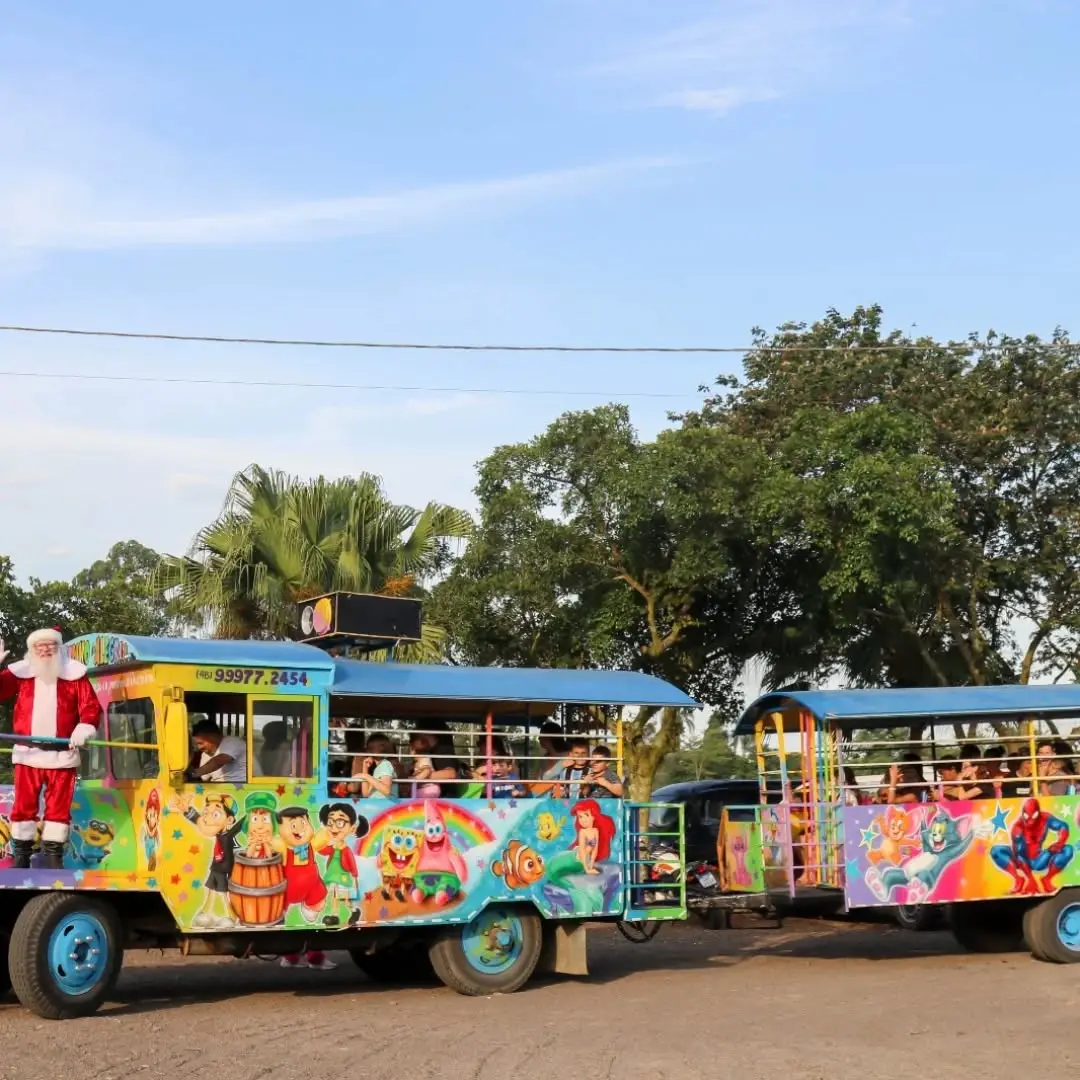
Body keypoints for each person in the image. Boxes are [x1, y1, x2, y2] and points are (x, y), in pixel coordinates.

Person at [0, 627, 101, 869]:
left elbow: (90, 707)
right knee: (24, 804)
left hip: (62, 753)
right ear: (32, 650)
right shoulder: (20, 674)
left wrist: (84, 727)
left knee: (59, 806)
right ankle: (21, 855)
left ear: (59, 648)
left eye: (50, 645)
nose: (45, 650)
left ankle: (53, 855)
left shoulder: (75, 675)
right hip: (28, 753)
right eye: (39, 646)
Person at [351, 732, 399, 799]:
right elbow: (366, 794)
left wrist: (365, 776)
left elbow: (386, 790)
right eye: (369, 747)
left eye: (373, 746)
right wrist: (365, 768)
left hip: (384, 807)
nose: (369, 748)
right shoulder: (377, 769)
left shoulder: (385, 764)